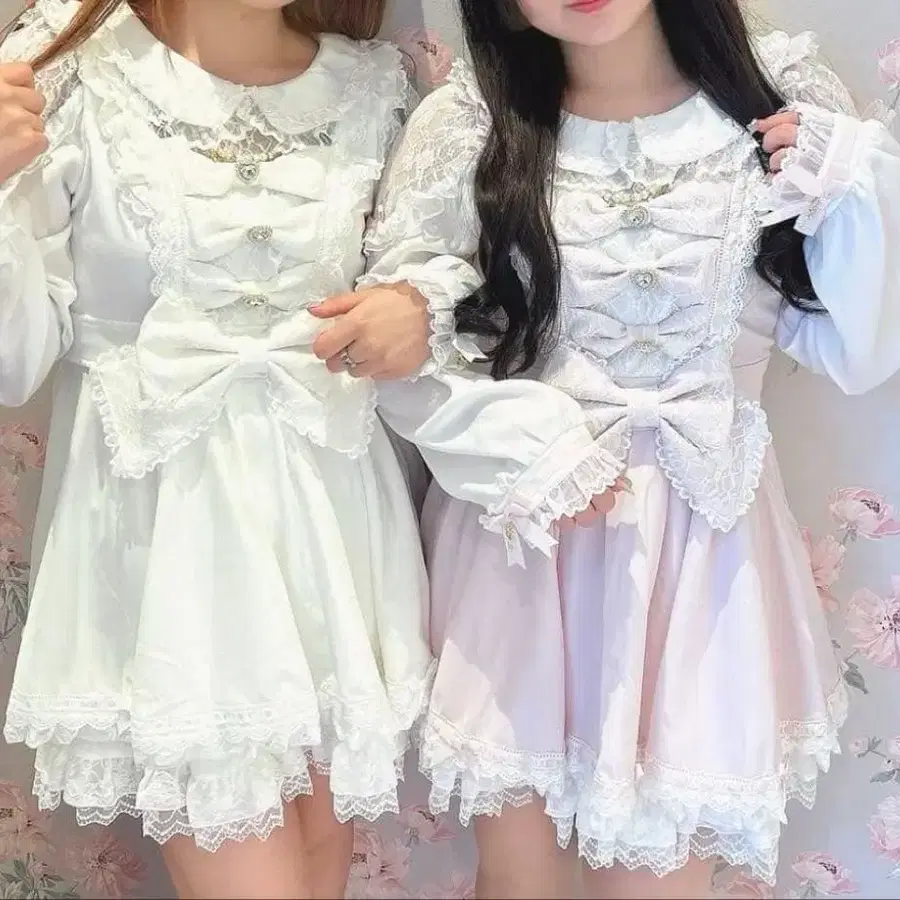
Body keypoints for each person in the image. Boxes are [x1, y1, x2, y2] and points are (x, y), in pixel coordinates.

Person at [360, 0, 900, 897]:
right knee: (519, 880)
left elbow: (857, 347)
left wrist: (853, 185)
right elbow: (404, 350)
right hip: (525, 544)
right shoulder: (472, 121)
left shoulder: (776, 94)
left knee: (661, 879)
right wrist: (525, 451)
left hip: (706, 553)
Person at [0, 0, 444, 896]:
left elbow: (433, 283)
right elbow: (15, 363)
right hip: (167, 545)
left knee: (319, 866)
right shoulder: (71, 70)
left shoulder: (373, 88)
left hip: (332, 540)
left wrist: (419, 311)